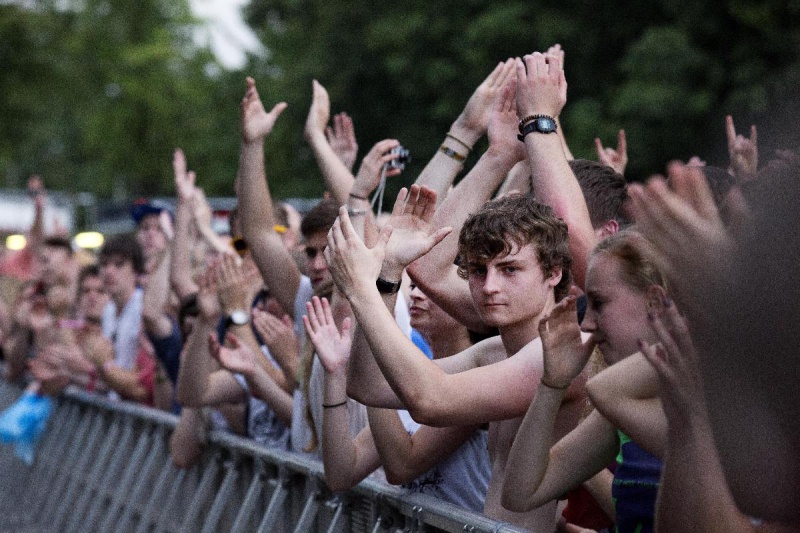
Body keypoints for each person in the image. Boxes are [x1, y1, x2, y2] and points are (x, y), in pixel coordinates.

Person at [325, 186, 583, 530]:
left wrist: (361, 290)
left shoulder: (561, 349)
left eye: (509, 270)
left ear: (554, 273)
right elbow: (368, 385)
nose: (490, 286)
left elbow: (430, 401)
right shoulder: (493, 353)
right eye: (478, 270)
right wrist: (387, 274)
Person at [501, 230, 669, 533]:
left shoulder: (716, 400)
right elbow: (521, 493)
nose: (587, 323)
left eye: (599, 303)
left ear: (655, 302)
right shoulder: (620, 409)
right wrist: (552, 384)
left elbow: (602, 389)